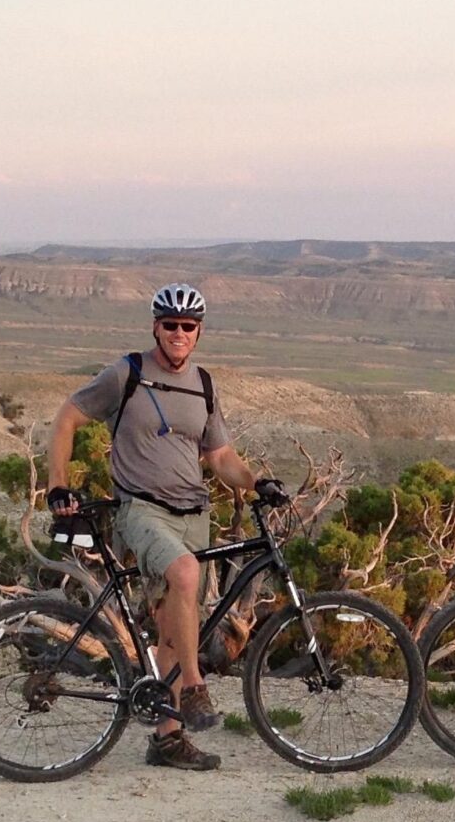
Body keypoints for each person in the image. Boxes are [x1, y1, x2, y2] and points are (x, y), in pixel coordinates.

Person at [45, 284, 287, 772]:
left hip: (194, 514)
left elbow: (219, 456)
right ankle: (196, 688)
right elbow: (67, 419)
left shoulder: (203, 385)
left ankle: (167, 740)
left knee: (175, 630)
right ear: (156, 326)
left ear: (199, 332)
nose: (179, 333)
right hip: (141, 510)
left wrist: (256, 481)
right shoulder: (127, 374)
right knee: (184, 574)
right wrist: (57, 486)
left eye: (188, 326)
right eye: (170, 324)